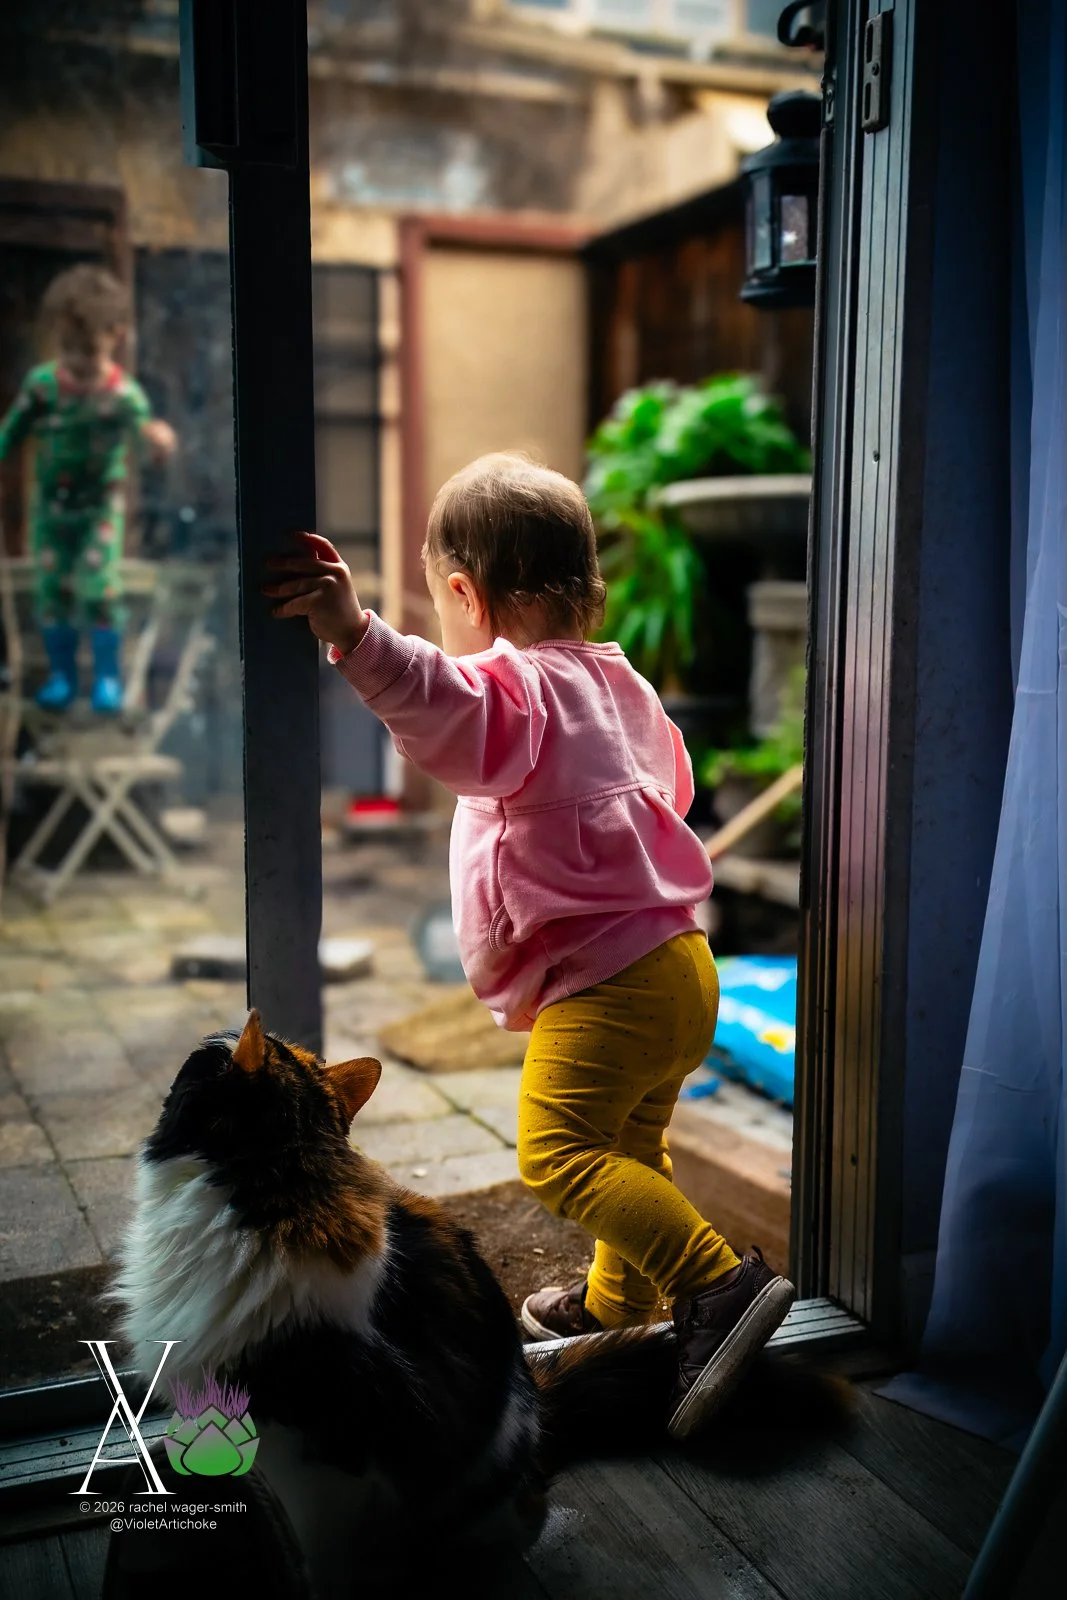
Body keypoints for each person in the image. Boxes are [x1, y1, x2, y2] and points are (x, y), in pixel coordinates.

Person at [263, 451, 795, 1439]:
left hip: (609, 984)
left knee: (559, 1154)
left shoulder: (516, 689)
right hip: (683, 964)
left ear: (465, 597)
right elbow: (672, 790)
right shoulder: (620, 682)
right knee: (630, 1145)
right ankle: (615, 1304)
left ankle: (716, 1286)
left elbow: (438, 699)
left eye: (445, 607)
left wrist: (354, 633)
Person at [0, 264, 177, 714]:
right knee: (52, 590)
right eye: (68, 348)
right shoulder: (43, 387)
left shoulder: (123, 396)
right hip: (51, 511)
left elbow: (145, 438)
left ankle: (106, 677)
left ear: (116, 336)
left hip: (99, 510)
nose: (77, 360)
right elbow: (12, 431)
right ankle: (62, 676)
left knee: (99, 589)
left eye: (88, 350)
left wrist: (158, 443)